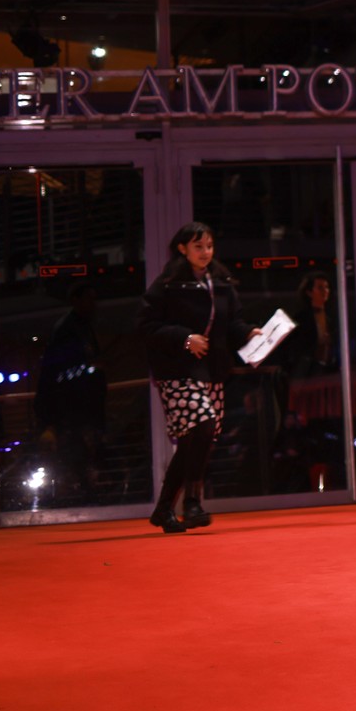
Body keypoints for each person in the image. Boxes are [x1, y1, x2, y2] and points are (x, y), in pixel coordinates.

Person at [138, 222, 260, 533]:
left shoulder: (220, 282)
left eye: (208, 246)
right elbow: (148, 327)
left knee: (198, 438)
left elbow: (232, 322)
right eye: (198, 246)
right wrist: (184, 337)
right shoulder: (167, 284)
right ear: (182, 249)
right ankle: (192, 503)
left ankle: (166, 508)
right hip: (177, 370)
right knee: (203, 424)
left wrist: (248, 332)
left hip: (211, 369)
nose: (205, 252)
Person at [34, 282, 108, 498]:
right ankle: (83, 490)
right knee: (78, 450)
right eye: (88, 299)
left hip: (82, 402)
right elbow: (58, 371)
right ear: (76, 301)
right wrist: (90, 368)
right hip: (72, 404)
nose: (93, 305)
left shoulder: (80, 327)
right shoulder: (68, 330)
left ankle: (85, 488)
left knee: (84, 450)